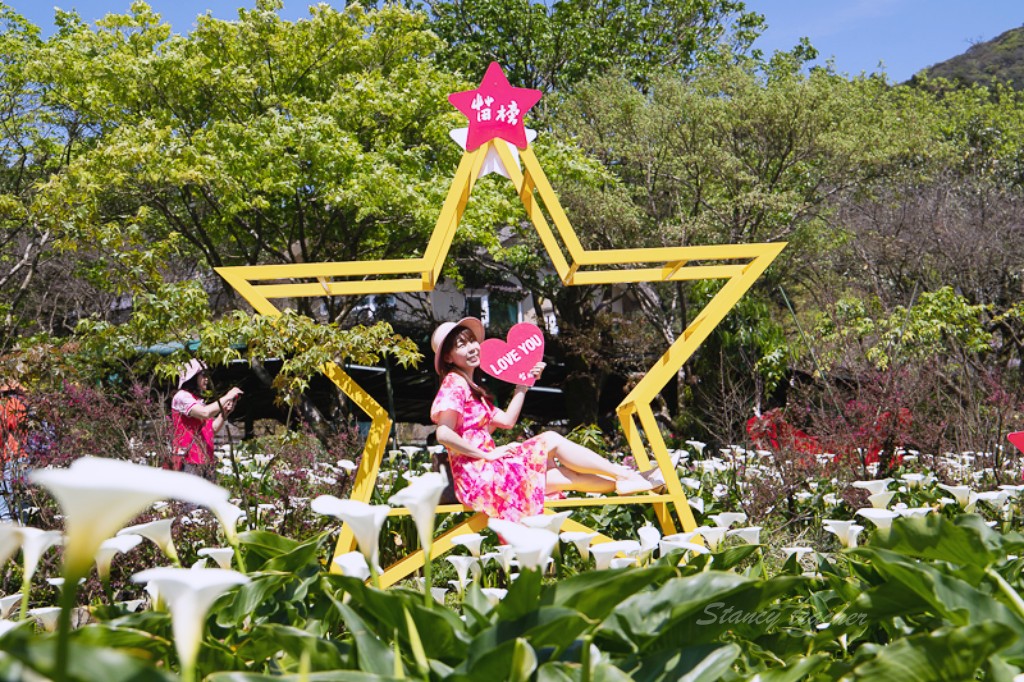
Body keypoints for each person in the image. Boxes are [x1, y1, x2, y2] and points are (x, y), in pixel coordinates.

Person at [430, 317, 663, 523]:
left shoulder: (473, 390)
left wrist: (524, 382)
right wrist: (488, 454)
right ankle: (626, 475)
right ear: (448, 357)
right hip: (479, 477)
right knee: (551, 439)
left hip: (489, 472)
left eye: (472, 341)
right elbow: (444, 434)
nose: (471, 348)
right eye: (461, 345)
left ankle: (631, 481)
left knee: (564, 477)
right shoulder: (455, 382)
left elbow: (508, 421)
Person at [171, 359, 242, 479]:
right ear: (192, 377)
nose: (207, 379)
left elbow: (211, 429)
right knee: (191, 498)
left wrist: (224, 413)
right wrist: (228, 396)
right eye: (203, 375)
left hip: (205, 460)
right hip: (188, 460)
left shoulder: (197, 401)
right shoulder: (182, 396)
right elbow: (205, 413)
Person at [0, 381, 27, 522]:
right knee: (22, 509)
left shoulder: (6, 405)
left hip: (9, 461)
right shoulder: (22, 405)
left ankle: (14, 543)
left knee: (6, 513)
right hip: (23, 458)